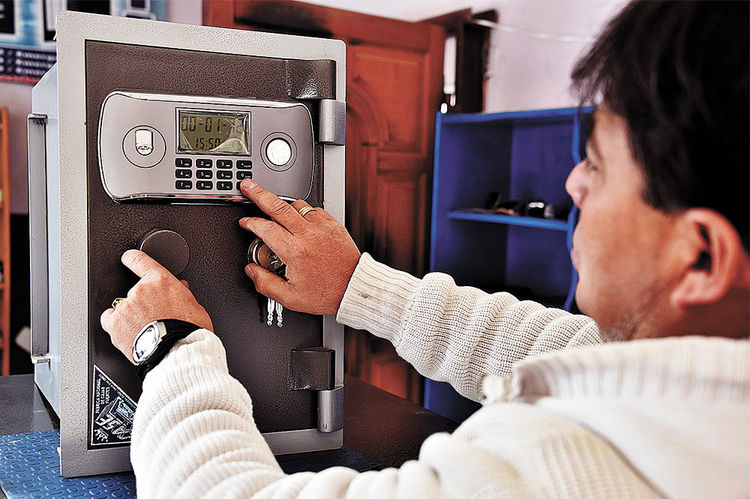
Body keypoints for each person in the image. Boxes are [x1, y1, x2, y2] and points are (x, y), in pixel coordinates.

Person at [100, 1, 749, 497]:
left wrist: (172, 346)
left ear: (700, 257)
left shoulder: (559, 469)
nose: (573, 183)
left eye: (598, 166)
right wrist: (357, 285)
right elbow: (568, 349)